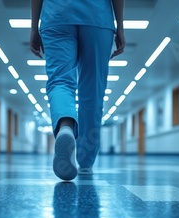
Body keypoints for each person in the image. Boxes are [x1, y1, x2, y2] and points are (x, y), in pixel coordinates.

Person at [30, 0, 126, 181]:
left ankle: (65, 126)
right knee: (93, 90)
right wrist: (120, 25)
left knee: (60, 81)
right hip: (97, 17)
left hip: (56, 15)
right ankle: (86, 161)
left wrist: (34, 27)